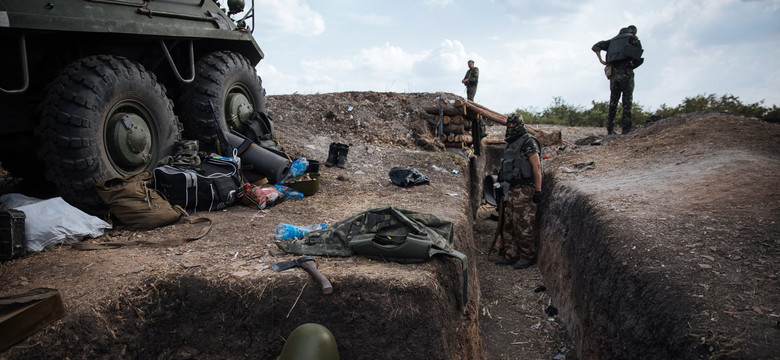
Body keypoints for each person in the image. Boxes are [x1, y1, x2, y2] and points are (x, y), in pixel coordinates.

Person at [496, 113, 542, 269]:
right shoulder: (510, 143)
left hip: (526, 189)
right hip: (513, 189)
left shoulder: (528, 142)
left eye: (513, 125)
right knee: (508, 223)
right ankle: (511, 254)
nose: (510, 128)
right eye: (508, 125)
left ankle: (528, 256)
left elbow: (536, 167)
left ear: (520, 125)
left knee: (522, 224)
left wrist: (538, 190)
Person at [592, 25, 643, 135]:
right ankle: (626, 129)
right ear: (634, 31)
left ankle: (610, 129)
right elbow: (638, 55)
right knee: (627, 101)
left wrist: (601, 60)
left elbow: (596, 46)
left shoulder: (612, 41)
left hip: (614, 75)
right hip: (626, 73)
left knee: (613, 102)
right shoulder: (632, 39)